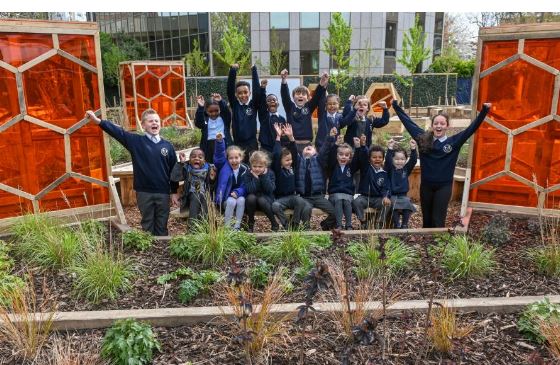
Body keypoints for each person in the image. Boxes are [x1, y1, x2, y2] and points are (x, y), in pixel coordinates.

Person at [392, 100, 491, 228]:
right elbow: (409, 123)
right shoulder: (423, 139)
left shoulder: (454, 142)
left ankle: (437, 245)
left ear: (447, 126)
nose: (439, 126)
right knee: (426, 219)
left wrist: (484, 111)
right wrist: (396, 107)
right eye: (436, 123)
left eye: (442, 123)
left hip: (443, 187)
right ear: (432, 126)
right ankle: (426, 244)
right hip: (426, 186)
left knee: (437, 219)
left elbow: (471, 129)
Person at [85, 109, 179, 236]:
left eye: (156, 121)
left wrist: (174, 192)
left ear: (160, 124)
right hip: (144, 192)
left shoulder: (167, 146)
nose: (154, 123)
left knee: (162, 223)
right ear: (143, 125)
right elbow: (118, 132)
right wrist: (98, 122)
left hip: (163, 191)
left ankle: (162, 248)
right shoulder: (136, 142)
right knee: (147, 223)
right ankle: (148, 250)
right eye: (150, 121)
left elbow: (174, 170)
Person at [292, 137, 336, 231]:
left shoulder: (319, 161)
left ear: (316, 152)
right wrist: (291, 138)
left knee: (334, 212)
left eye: (311, 147)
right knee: (306, 209)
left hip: (318, 196)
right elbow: (293, 150)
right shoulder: (299, 161)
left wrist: (330, 137)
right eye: (306, 147)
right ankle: (306, 229)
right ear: (302, 152)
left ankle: (324, 225)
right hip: (304, 197)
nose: (308, 147)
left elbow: (324, 151)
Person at [280, 69, 327, 153]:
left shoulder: (309, 107)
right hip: (293, 143)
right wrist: (284, 80)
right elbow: (285, 96)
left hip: (307, 145)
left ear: (308, 98)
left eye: (303, 94)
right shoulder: (290, 107)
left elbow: (317, 96)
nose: (300, 96)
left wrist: (322, 83)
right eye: (298, 94)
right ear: (293, 97)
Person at [271, 123, 308, 230]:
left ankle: (295, 224)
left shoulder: (293, 167)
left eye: (290, 160)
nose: (290, 162)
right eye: (287, 160)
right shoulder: (278, 169)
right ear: (280, 162)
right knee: (275, 206)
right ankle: (287, 225)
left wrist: (291, 137)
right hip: (280, 199)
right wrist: (278, 137)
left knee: (300, 201)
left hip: (292, 197)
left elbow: (294, 152)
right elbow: (276, 154)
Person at [323, 127, 360, 230]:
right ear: (337, 156)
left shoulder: (351, 168)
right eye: (341, 154)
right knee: (339, 201)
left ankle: (348, 225)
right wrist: (336, 144)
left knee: (347, 202)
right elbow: (330, 156)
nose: (344, 157)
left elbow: (358, 160)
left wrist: (358, 147)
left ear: (350, 157)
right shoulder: (333, 166)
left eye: (346, 155)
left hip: (347, 194)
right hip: (334, 195)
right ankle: (339, 225)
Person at [352, 137, 392, 229]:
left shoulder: (384, 172)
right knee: (356, 202)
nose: (377, 159)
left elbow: (386, 187)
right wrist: (363, 145)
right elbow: (363, 156)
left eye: (380, 157)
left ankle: (379, 222)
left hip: (378, 198)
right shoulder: (366, 168)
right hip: (364, 197)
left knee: (388, 203)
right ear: (369, 159)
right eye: (374, 157)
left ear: (383, 159)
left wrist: (386, 197)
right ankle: (363, 221)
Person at [170, 148, 216, 227]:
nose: (197, 158)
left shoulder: (209, 168)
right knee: (196, 196)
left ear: (204, 160)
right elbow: (175, 177)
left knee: (205, 199)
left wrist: (212, 179)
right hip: (190, 194)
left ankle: (206, 226)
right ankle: (192, 227)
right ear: (190, 160)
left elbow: (212, 186)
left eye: (200, 157)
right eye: (193, 157)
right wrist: (181, 163)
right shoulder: (187, 168)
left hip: (204, 193)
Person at [213, 133, 247, 230]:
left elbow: (245, 185)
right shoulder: (224, 166)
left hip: (239, 196)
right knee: (231, 202)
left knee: (241, 200)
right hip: (225, 198)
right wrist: (220, 142)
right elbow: (219, 156)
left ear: (241, 158)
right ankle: (227, 228)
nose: (234, 160)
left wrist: (238, 192)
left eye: (236, 158)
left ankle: (237, 227)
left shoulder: (245, 169)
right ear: (227, 159)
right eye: (231, 158)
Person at [227, 63, 260, 161]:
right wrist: (233, 71)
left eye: (245, 92)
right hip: (237, 144)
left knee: (253, 167)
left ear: (249, 93)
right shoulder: (235, 105)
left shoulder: (253, 104)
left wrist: (254, 71)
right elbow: (229, 89)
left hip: (252, 143)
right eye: (240, 93)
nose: (243, 95)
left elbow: (257, 90)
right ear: (236, 94)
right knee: (239, 168)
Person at [385, 138, 418, 229]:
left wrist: (413, 149)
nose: (399, 161)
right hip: (393, 195)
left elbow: (413, 160)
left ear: (405, 160)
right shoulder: (390, 169)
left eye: (402, 159)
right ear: (392, 159)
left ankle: (404, 224)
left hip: (403, 195)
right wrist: (390, 148)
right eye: (397, 159)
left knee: (407, 205)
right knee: (393, 206)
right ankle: (397, 224)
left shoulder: (406, 169)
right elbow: (387, 160)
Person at [243, 151, 279, 232]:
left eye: (260, 166)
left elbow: (270, 190)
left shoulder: (270, 173)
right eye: (254, 166)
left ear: (265, 166)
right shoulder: (248, 174)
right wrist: (255, 178)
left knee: (261, 199)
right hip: (252, 204)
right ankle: (251, 222)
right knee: (250, 197)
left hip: (266, 200)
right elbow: (250, 190)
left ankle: (274, 223)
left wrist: (264, 176)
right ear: (251, 165)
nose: (257, 168)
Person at [194, 93, 231, 164]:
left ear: (220, 109)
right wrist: (201, 107)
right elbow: (198, 123)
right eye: (210, 111)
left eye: (216, 111)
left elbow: (226, 111)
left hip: (224, 145)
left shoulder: (224, 119)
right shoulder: (205, 119)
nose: (214, 113)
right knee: (211, 167)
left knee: (224, 165)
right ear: (206, 111)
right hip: (208, 147)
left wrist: (220, 101)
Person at [257, 79, 288, 153]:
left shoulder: (282, 119)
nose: (272, 101)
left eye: (274, 100)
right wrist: (263, 89)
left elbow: (284, 135)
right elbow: (261, 102)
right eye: (268, 101)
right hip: (265, 149)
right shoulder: (264, 116)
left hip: (278, 147)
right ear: (266, 105)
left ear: (278, 104)